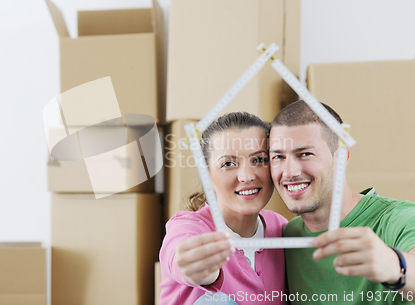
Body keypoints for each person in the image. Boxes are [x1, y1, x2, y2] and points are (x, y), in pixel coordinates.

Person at [269, 100, 415, 304]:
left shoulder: (398, 219)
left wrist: (395, 266)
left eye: (305, 154)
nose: (290, 171)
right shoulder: (286, 236)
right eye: (278, 157)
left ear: (342, 157)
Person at [159, 112, 289, 305]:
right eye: (228, 163)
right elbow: (178, 252)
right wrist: (196, 268)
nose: (246, 176)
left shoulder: (280, 227)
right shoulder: (188, 227)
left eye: (259, 160)